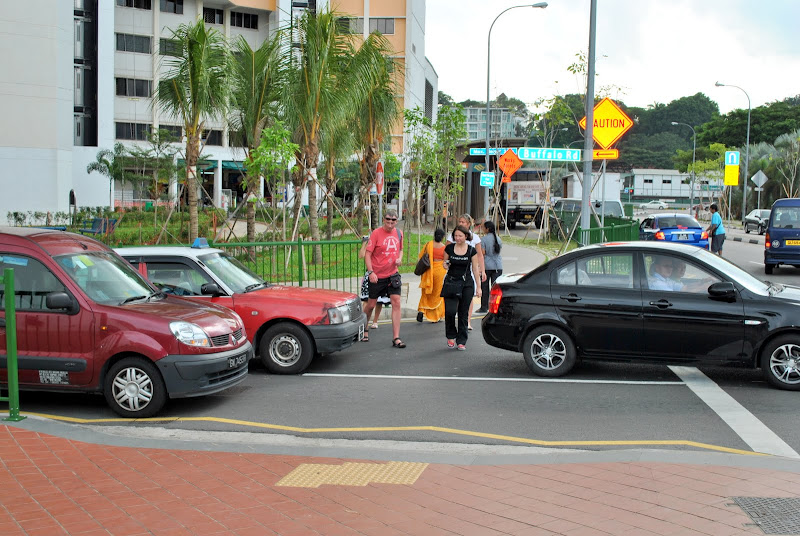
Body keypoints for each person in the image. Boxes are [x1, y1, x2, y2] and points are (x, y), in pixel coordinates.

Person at [363, 209, 406, 348]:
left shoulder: (399, 233)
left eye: (393, 220)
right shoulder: (376, 233)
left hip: (393, 274)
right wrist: (371, 272)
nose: (390, 222)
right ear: (384, 219)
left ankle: (396, 337)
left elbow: (400, 249)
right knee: (370, 305)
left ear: (396, 221)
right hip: (377, 275)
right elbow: (367, 254)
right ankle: (364, 329)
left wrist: (399, 258)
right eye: (388, 219)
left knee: (396, 302)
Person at [442, 225, 482, 350]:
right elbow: (445, 263)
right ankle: (450, 335)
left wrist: (479, 287)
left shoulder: (471, 250)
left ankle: (461, 340)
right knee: (450, 312)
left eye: (460, 236)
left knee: (463, 313)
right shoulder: (449, 248)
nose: (457, 238)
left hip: (466, 284)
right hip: (451, 282)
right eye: (455, 236)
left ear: (466, 236)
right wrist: (446, 264)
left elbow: (475, 269)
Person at [447, 214, 485, 330]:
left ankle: (467, 321)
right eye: (460, 221)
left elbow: (480, 256)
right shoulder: (452, 236)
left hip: (469, 272)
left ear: (469, 224)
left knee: (468, 297)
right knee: (455, 297)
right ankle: (456, 321)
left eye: (463, 222)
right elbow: (446, 252)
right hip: (454, 272)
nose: (461, 224)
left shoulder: (475, 238)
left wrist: (482, 270)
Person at [416, 228, 447, 323]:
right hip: (440, 272)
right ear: (443, 237)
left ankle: (421, 310)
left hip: (427, 271)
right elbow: (446, 261)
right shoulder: (444, 248)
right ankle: (435, 316)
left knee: (426, 293)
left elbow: (421, 256)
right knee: (438, 294)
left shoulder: (428, 245)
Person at [359, 236, 389, 329]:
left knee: (379, 300)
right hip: (370, 274)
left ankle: (375, 321)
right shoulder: (370, 246)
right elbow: (361, 255)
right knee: (366, 300)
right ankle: (365, 322)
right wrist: (364, 243)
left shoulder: (382, 246)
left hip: (381, 274)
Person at [477, 220, 502, 313]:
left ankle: (484, 307)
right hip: (498, 266)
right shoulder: (498, 239)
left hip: (487, 266)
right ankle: (497, 307)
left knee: (485, 287)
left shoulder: (483, 239)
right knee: (496, 288)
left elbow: (482, 253)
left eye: (483, 227)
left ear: (487, 229)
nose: (482, 229)